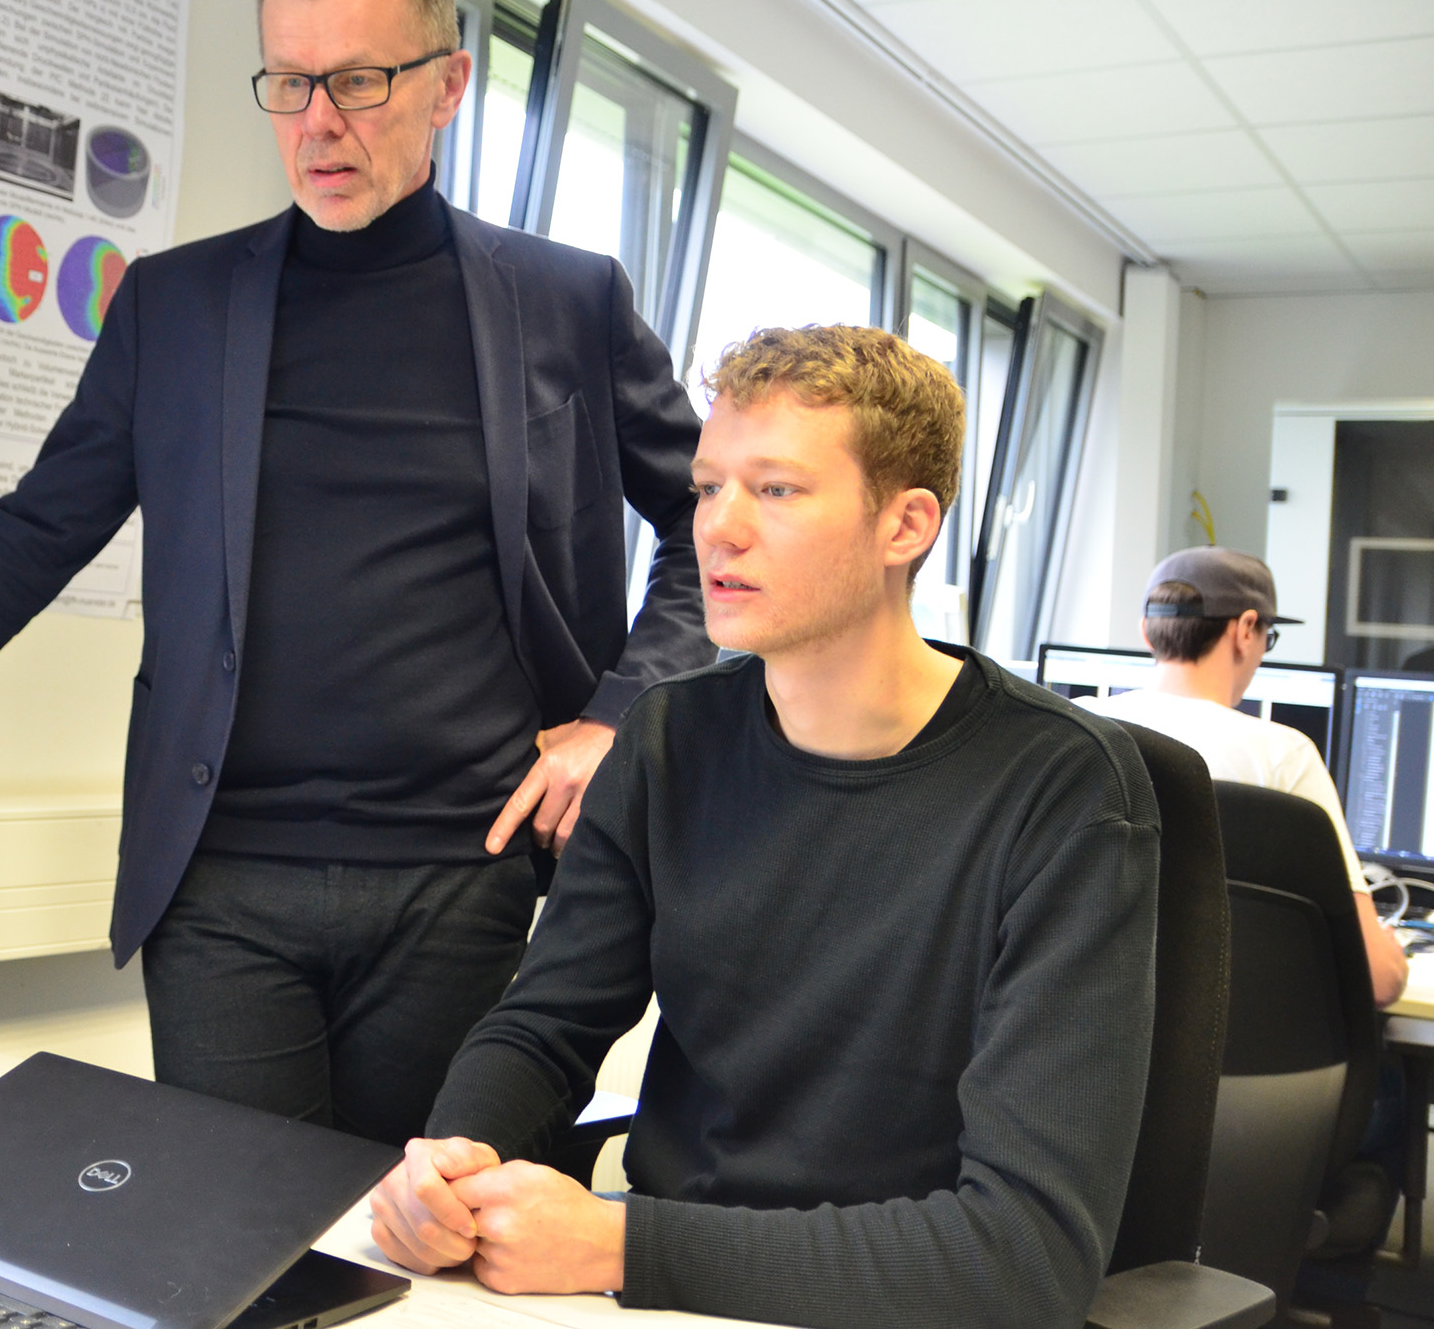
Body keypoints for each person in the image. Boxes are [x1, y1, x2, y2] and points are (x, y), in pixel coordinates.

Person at [0, 0, 712, 1145]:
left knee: (408, 1231)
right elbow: (34, 533)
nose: (316, 123)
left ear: (447, 84)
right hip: (220, 879)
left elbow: (708, 517)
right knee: (234, 1231)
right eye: (288, 82)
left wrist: (620, 713)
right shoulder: (175, 306)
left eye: (357, 81)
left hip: (461, 871)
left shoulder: (566, 300)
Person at [369, 325, 1159, 1329]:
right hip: (660, 1296)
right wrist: (453, 1160)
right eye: (708, 488)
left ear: (905, 524)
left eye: (776, 489)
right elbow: (547, 1024)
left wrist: (621, 1243)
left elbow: (1025, 1253)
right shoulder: (669, 735)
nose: (719, 529)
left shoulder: (1062, 785)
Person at [1093, 547, 1406, 1006]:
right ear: (1244, 630)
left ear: (1146, 631)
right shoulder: (1284, 757)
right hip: (1240, 1037)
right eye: (1267, 637)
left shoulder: (1079, 727)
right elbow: (1377, 978)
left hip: (1097, 1031)